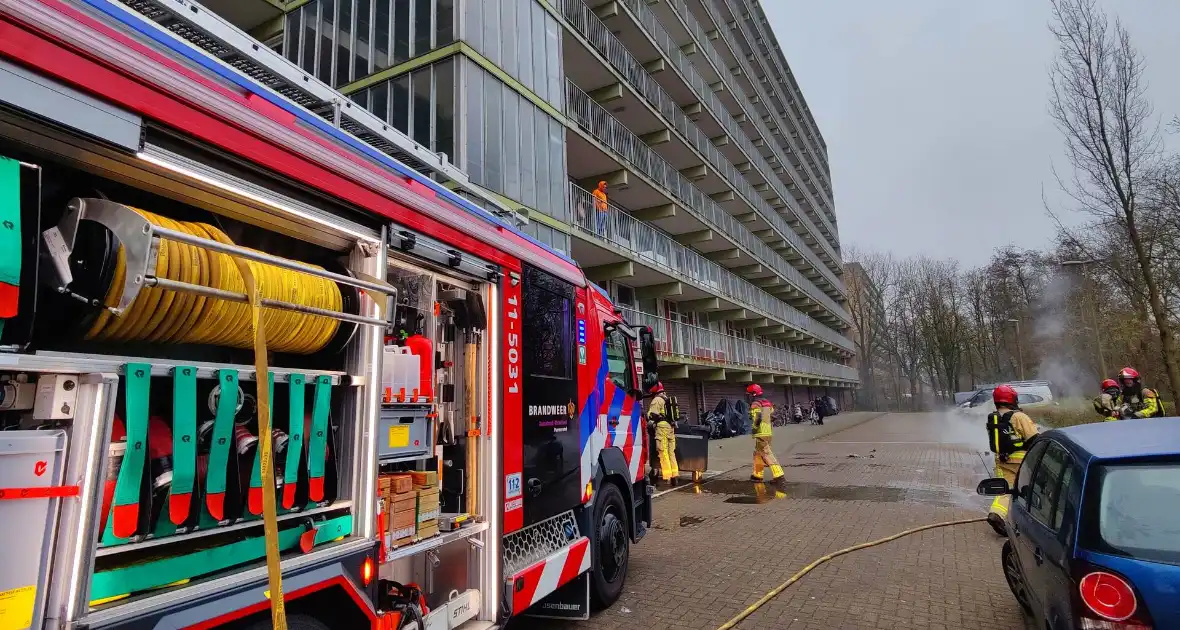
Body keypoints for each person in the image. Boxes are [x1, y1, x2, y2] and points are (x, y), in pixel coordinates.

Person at [985, 384, 1039, 536]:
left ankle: (996, 513)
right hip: (1021, 461)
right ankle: (1029, 522)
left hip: (1001, 460)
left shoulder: (994, 418)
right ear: (1012, 399)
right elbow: (1033, 438)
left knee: (1006, 490)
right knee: (1028, 488)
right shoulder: (1019, 416)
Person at [747, 384, 785, 484]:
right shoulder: (767, 402)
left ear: (753, 394)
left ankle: (779, 475)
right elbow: (772, 415)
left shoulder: (755, 403)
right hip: (768, 431)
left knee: (766, 453)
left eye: (749, 394)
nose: (749, 396)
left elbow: (758, 418)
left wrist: (754, 429)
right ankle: (757, 475)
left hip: (761, 432)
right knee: (758, 453)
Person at [647, 382, 679, 486]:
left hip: (662, 429)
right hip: (670, 428)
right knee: (671, 453)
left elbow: (652, 415)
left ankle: (667, 477)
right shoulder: (666, 399)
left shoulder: (657, 400)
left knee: (662, 452)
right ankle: (674, 475)